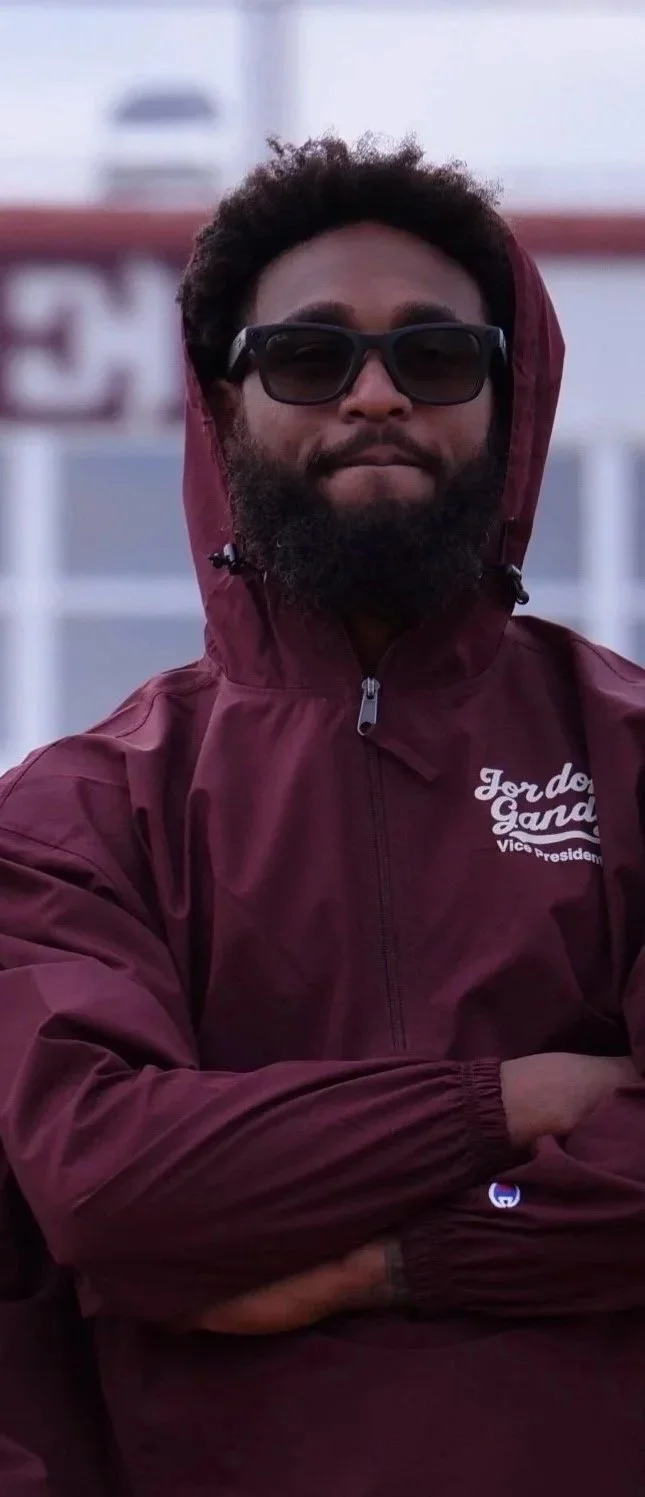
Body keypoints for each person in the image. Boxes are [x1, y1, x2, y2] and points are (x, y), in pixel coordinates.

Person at [0, 135, 644, 1497]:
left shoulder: (634, 758)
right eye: (307, 358)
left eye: (435, 357)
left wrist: (408, 1258)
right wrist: (507, 1106)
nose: (374, 396)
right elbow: (109, 1186)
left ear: (508, 399)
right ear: (221, 407)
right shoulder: (80, 813)